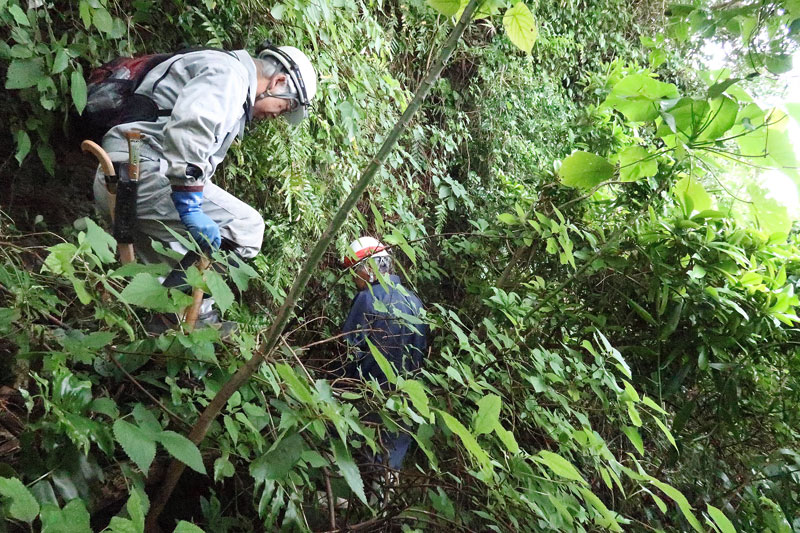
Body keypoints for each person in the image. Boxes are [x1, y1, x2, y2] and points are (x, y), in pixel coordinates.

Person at [92, 43, 317, 327]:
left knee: (165, 271)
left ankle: (157, 334)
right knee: (246, 228)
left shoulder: (221, 69)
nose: (277, 115)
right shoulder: (228, 75)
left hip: (119, 176)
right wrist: (190, 205)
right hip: (141, 172)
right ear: (279, 81)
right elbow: (190, 130)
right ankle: (168, 314)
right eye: (284, 107)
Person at [339, 237, 428, 470]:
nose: (353, 279)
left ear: (369, 268)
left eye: (354, 271)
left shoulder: (367, 298)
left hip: (364, 397)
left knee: (349, 463)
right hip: (402, 400)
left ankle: (340, 503)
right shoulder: (415, 303)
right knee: (387, 468)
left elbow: (349, 351)